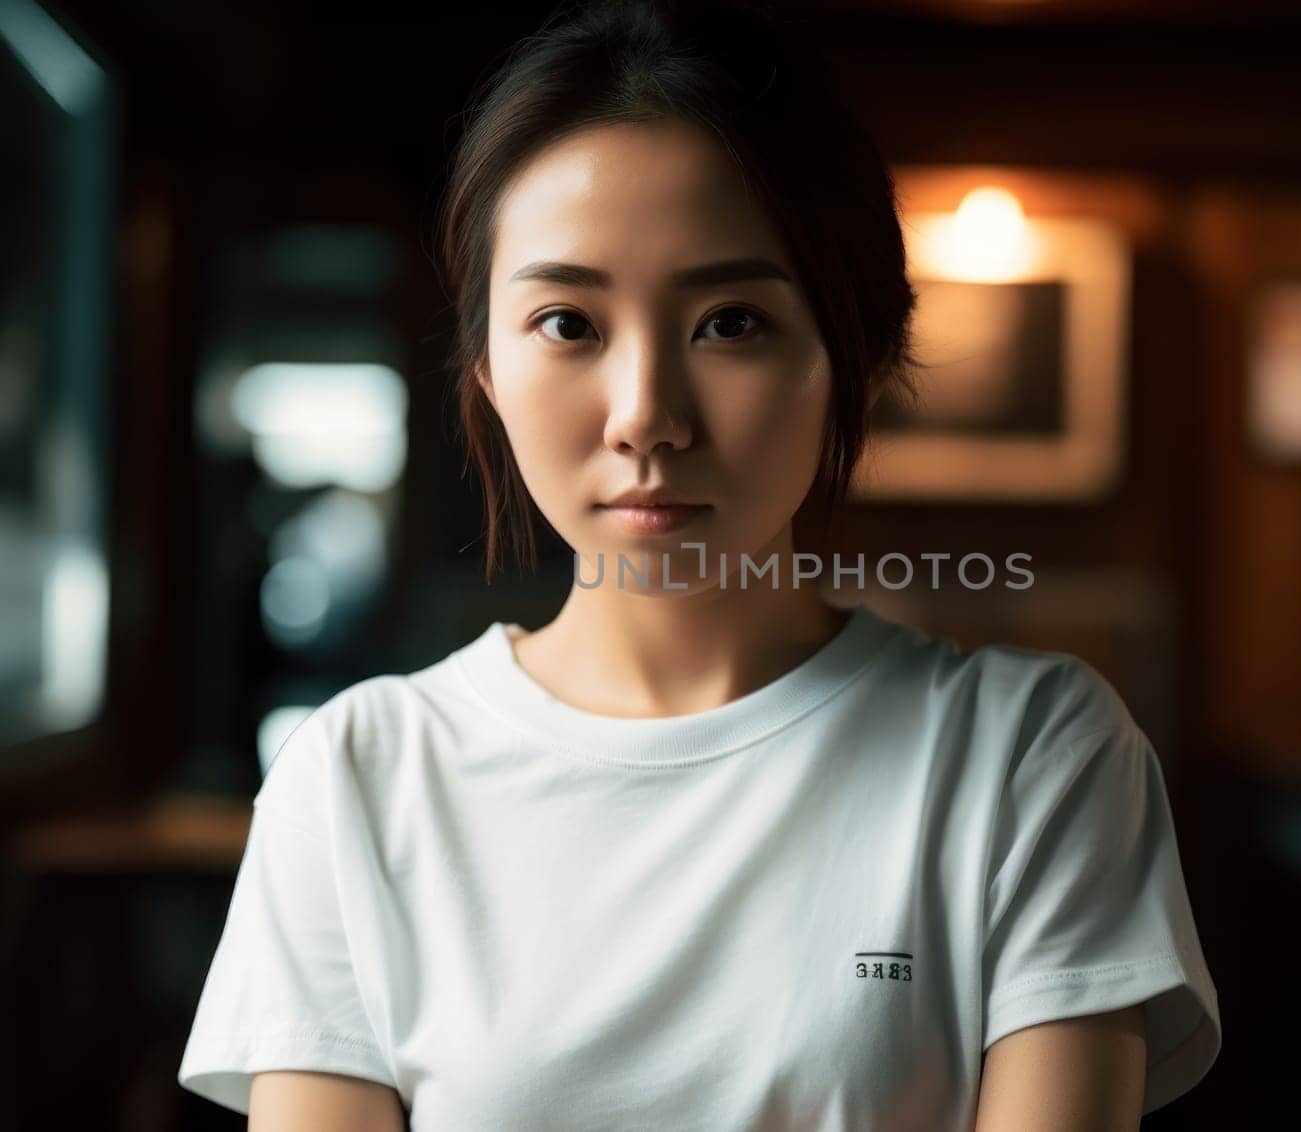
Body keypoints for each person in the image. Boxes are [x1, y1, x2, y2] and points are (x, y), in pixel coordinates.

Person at [176, 1, 1221, 1128]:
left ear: (856, 362)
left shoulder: (1026, 758)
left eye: (729, 323)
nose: (645, 417)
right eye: (569, 323)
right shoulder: (358, 782)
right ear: (485, 371)